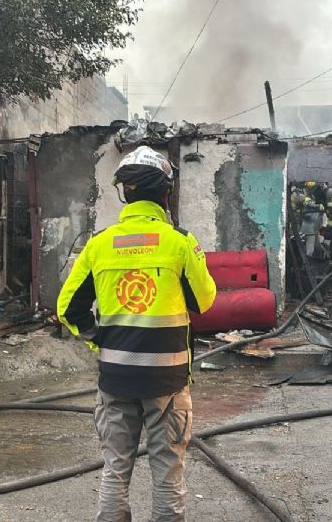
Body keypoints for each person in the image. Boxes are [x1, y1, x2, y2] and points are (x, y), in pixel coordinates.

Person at [58, 145, 217, 522]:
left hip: (115, 379)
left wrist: (102, 338)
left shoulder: (99, 245)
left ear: (124, 192)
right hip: (168, 382)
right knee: (167, 473)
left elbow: (68, 309)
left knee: (115, 469)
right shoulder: (180, 242)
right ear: (166, 193)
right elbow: (205, 301)